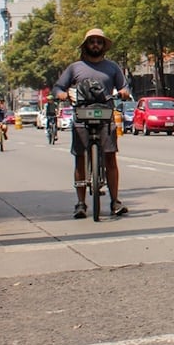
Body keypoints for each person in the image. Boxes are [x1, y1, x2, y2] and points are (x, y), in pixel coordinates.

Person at [52, 28, 132, 219]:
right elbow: (58, 87)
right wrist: (62, 94)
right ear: (86, 45)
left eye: (99, 41)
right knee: (80, 158)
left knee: (110, 158)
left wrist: (124, 92)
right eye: (92, 41)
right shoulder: (74, 68)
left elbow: (124, 87)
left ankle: (115, 201)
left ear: (103, 46)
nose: (95, 44)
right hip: (81, 117)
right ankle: (80, 203)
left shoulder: (112, 67)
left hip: (106, 116)